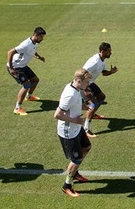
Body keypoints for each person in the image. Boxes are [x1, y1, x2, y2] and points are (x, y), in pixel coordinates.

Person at [54, 68, 93, 198]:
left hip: (76, 127)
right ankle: (67, 186)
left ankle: (74, 173)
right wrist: (75, 120)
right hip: (68, 132)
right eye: (86, 82)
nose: (88, 85)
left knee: (86, 147)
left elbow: (72, 104)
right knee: (76, 159)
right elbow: (57, 114)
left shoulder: (75, 88)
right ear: (78, 80)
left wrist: (81, 107)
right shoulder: (69, 95)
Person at [7, 27, 46, 116]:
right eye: (41, 37)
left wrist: (39, 57)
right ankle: (17, 108)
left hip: (22, 66)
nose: (42, 39)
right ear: (36, 35)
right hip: (16, 67)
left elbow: (33, 51)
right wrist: (11, 68)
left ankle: (28, 96)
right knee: (26, 85)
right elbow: (10, 52)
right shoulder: (26, 44)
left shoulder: (35, 43)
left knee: (35, 80)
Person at [82, 42, 118, 138]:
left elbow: (103, 73)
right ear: (103, 51)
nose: (111, 53)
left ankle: (91, 114)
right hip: (82, 84)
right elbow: (82, 73)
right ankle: (86, 129)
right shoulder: (94, 61)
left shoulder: (103, 59)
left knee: (101, 97)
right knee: (93, 104)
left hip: (90, 83)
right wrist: (85, 89)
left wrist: (111, 72)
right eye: (109, 51)